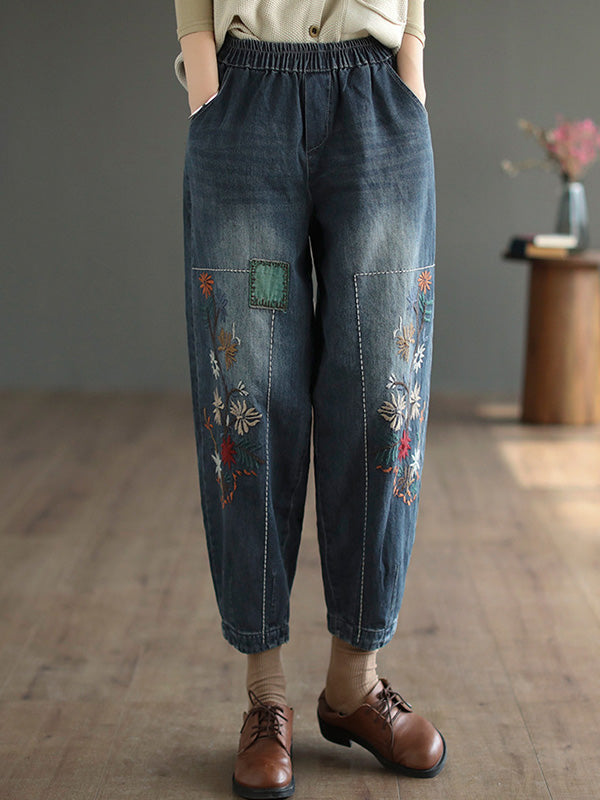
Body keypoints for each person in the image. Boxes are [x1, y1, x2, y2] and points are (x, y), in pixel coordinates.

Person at [173, 2, 446, 797]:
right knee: (251, 396)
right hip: (246, 101)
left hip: (377, 100)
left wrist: (411, 60)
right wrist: (202, 71)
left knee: (381, 395)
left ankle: (355, 681)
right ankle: (265, 695)